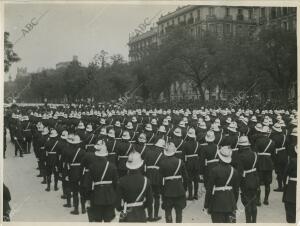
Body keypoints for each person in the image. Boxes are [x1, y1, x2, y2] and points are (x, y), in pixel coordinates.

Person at [204, 145, 239, 223]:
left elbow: (209, 189)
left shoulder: (214, 170)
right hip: (231, 203)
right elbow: (236, 191)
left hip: (217, 204)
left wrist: (206, 204)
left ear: (219, 157)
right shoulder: (235, 171)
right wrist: (233, 202)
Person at [116, 150, 153, 222]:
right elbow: (150, 201)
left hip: (126, 214)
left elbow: (117, 204)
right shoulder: (146, 180)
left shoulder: (121, 180)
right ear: (140, 165)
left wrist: (122, 208)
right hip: (141, 214)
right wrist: (141, 206)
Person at [88, 141, 118, 222]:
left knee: (97, 220)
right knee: (108, 220)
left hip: (96, 196)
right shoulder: (112, 166)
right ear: (106, 154)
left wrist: (88, 197)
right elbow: (116, 184)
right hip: (110, 196)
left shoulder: (92, 166)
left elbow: (88, 184)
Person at [159, 142, 188, 223]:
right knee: (179, 213)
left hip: (167, 191)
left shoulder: (162, 163)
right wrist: (184, 188)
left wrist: (162, 191)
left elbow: (160, 180)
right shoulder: (180, 162)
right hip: (179, 190)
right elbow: (186, 178)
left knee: (168, 212)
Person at [236, 136, 259, 223]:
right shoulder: (255, 154)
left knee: (247, 203)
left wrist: (237, 184)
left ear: (242, 146)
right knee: (253, 202)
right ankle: (254, 222)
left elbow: (240, 172)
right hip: (254, 179)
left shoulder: (241, 156)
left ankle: (248, 222)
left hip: (245, 181)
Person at [143, 138, 164, 221]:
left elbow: (144, 164)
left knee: (149, 197)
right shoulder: (162, 155)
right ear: (162, 147)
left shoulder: (148, 153)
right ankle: (155, 215)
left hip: (148, 175)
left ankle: (150, 215)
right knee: (157, 197)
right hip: (158, 177)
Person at [253, 126, 275, 206]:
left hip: (260, 162)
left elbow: (255, 152)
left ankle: (258, 200)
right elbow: (273, 154)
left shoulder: (258, 141)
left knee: (258, 182)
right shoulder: (272, 142)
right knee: (267, 183)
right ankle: (266, 199)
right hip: (269, 163)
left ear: (262, 133)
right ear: (268, 133)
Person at [282, 127, 297, 223]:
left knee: (291, 212)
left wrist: (285, 185)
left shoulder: (293, 161)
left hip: (292, 186)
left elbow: (285, 174)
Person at [182, 128, 200, 200]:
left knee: (189, 180)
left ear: (188, 136)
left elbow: (183, 156)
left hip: (189, 163)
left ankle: (190, 195)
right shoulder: (198, 144)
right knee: (196, 180)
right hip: (196, 163)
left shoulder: (185, 144)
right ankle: (195, 195)